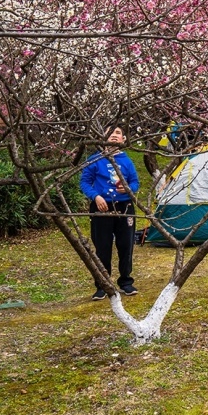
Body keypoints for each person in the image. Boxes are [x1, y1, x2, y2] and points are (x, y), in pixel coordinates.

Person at [80, 124, 140, 300]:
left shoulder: (127, 161)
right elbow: (84, 182)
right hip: (101, 208)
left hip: (124, 208)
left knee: (126, 245)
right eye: (110, 133)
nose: (114, 136)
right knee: (103, 246)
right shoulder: (95, 159)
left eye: (118, 133)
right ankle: (102, 285)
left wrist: (128, 189)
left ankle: (126, 282)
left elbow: (135, 183)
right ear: (103, 137)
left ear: (123, 139)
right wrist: (95, 196)